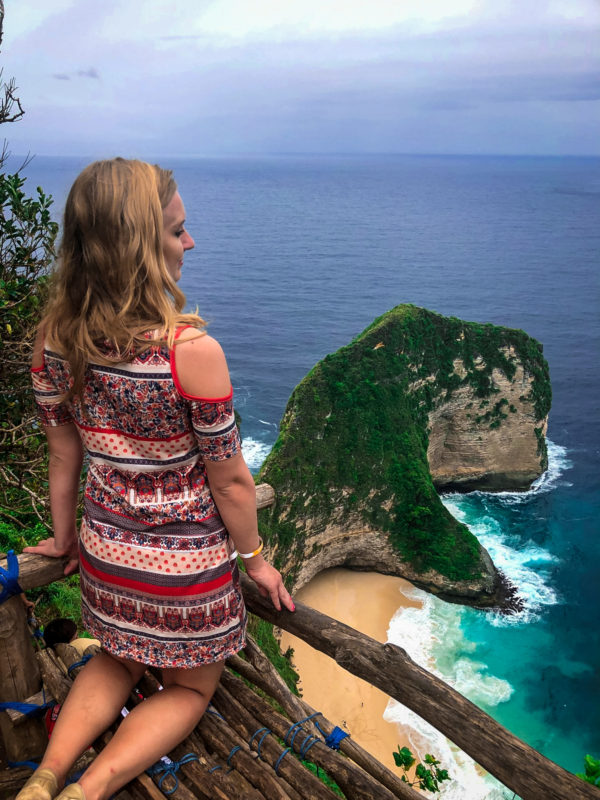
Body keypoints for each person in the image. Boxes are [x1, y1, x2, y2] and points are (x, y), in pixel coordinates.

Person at [17, 158, 294, 800]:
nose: (189, 243)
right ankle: (90, 791)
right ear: (140, 247)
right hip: (185, 573)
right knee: (192, 687)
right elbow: (230, 483)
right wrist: (256, 561)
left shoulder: (55, 341)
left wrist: (63, 542)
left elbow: (65, 456)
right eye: (176, 231)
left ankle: (46, 777)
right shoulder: (189, 353)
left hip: (106, 556)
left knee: (116, 656)